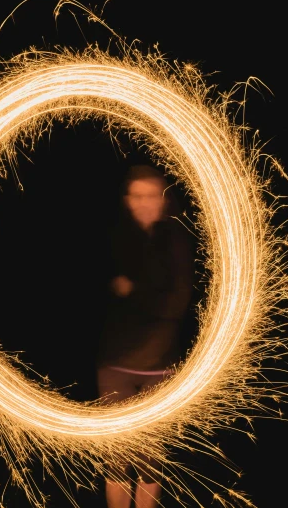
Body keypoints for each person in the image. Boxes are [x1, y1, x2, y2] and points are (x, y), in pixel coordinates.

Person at [96, 164, 195, 508]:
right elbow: (99, 293)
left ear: (163, 200)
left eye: (151, 196)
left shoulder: (177, 241)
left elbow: (177, 302)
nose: (144, 203)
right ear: (127, 199)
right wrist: (143, 294)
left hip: (160, 368)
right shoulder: (114, 238)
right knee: (117, 460)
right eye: (137, 196)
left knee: (150, 462)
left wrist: (133, 291)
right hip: (116, 366)